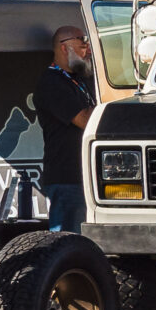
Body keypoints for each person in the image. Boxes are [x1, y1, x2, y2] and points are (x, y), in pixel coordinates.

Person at [34, 25, 97, 230]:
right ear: (64, 47)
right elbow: (85, 121)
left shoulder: (79, 79)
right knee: (67, 239)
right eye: (82, 43)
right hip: (67, 177)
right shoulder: (51, 82)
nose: (88, 49)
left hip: (86, 175)